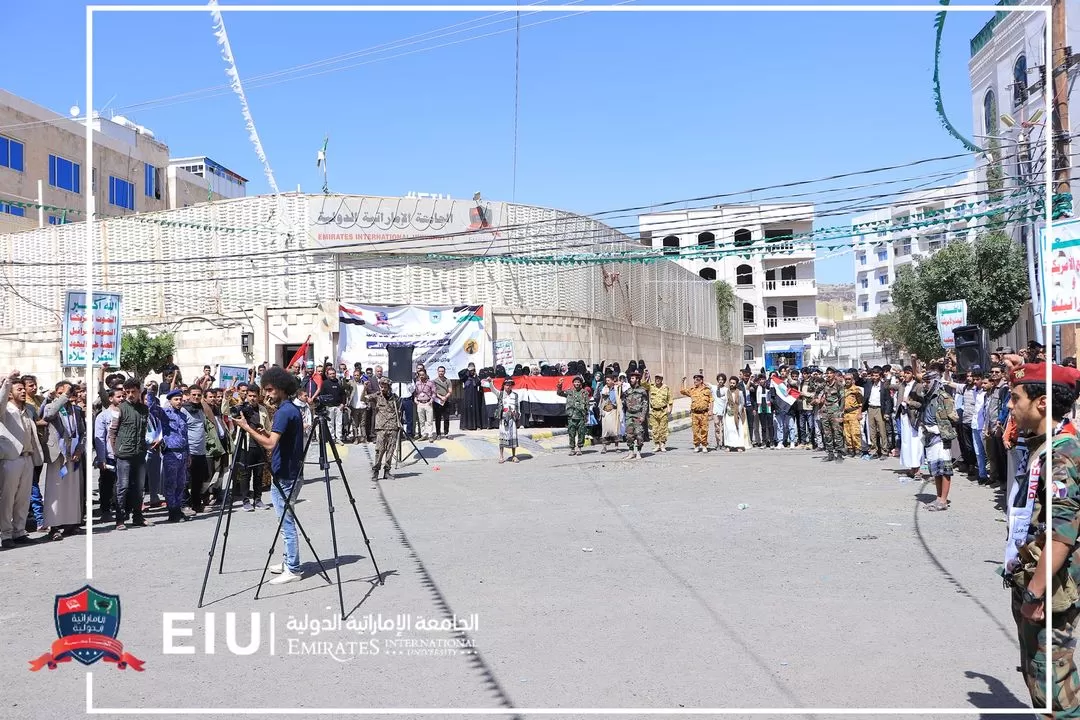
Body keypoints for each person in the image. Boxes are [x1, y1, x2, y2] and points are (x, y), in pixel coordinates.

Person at [1002, 359, 1080, 717]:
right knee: (1039, 680)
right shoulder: (1041, 446)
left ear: (1042, 402)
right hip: (1035, 578)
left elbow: (1062, 536)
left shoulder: (1062, 453)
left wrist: (1035, 592)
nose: (1009, 405)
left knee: (1055, 690)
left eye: (1014, 398)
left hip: (1050, 588)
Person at [235, 367, 306, 585]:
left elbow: (269, 444)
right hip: (284, 472)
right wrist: (262, 431)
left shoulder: (285, 411)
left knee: (286, 522)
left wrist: (246, 428)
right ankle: (288, 561)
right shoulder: (288, 409)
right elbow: (278, 439)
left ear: (282, 388)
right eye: (265, 390)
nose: (266, 394)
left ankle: (293, 568)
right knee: (282, 520)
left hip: (286, 475)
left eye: (269, 389)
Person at [0, 372, 43, 547]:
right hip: (11, 459)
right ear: (10, 392)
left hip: (27, 458)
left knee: (23, 498)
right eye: (19, 389)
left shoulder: (26, 410)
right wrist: (7, 381)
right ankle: (6, 535)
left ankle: (19, 531)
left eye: (24, 389)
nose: (24, 392)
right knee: (7, 498)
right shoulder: (5, 410)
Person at [42, 381, 84, 540]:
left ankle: (70, 523)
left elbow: (81, 432)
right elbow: (48, 415)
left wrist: (79, 448)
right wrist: (64, 396)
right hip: (58, 454)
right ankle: (53, 526)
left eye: (67, 392)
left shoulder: (76, 410)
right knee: (55, 491)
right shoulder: (51, 406)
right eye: (61, 393)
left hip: (73, 454)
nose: (65, 396)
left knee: (71, 490)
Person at [109, 379, 151, 532]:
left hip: (139, 454)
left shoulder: (144, 409)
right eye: (128, 392)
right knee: (123, 487)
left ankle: (138, 517)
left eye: (133, 392)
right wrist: (116, 451)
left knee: (139, 488)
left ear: (139, 391)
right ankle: (120, 519)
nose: (130, 395)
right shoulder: (119, 409)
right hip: (124, 454)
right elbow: (112, 432)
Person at [156, 389, 191, 523]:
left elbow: (185, 436)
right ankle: (173, 511)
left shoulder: (182, 415)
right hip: (171, 452)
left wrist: (188, 454)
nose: (179, 402)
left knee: (181, 483)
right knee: (171, 484)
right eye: (176, 399)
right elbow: (152, 408)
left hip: (182, 452)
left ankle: (178, 508)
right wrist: (150, 392)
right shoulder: (165, 413)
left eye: (180, 399)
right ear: (170, 401)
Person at [365, 377, 399, 481]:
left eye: (385, 386)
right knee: (379, 450)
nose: (383, 388)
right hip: (381, 427)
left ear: (389, 387)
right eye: (382, 386)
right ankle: (376, 471)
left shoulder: (395, 397)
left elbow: (398, 411)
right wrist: (364, 389)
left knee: (390, 450)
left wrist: (399, 423)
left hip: (393, 427)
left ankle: (387, 471)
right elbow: (364, 399)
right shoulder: (377, 396)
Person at [489, 378, 521, 464]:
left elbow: (518, 406)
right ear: (504, 385)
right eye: (507, 385)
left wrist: (516, 414)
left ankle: (514, 456)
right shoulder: (500, 394)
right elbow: (492, 389)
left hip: (512, 418)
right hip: (503, 418)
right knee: (502, 437)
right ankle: (501, 456)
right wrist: (490, 382)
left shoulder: (515, 395)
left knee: (513, 437)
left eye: (510, 385)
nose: (508, 386)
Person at [556, 375, 590, 456]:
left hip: (581, 416)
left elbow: (587, 404)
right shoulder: (569, 391)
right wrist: (560, 385)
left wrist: (586, 414)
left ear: (581, 383)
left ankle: (579, 448)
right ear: (573, 383)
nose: (577, 383)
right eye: (575, 382)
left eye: (578, 382)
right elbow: (559, 393)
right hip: (571, 416)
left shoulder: (584, 392)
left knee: (581, 433)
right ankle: (572, 448)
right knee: (571, 433)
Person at [622, 370, 649, 460]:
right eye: (630, 378)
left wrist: (643, 415)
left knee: (639, 434)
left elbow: (645, 404)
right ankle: (631, 452)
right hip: (629, 415)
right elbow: (623, 400)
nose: (631, 380)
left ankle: (638, 452)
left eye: (633, 378)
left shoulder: (642, 391)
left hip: (638, 415)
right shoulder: (628, 391)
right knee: (629, 435)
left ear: (637, 379)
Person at [646, 373, 673, 453]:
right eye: (656, 378)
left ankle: (663, 444)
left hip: (663, 411)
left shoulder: (665, 388)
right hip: (653, 411)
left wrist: (670, 409)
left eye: (659, 378)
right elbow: (643, 383)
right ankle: (657, 445)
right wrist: (645, 374)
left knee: (663, 429)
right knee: (655, 429)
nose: (657, 380)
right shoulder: (651, 386)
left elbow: (670, 399)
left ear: (662, 379)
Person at [597, 375, 623, 454]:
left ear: (612, 381)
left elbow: (622, 391)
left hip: (614, 411)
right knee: (605, 430)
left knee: (615, 429)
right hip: (606, 411)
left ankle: (617, 447)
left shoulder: (616, 388)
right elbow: (600, 398)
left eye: (608, 380)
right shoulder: (604, 389)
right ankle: (604, 447)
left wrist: (620, 384)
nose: (607, 382)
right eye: (606, 380)